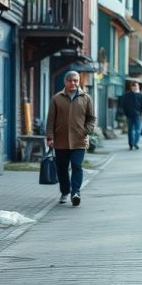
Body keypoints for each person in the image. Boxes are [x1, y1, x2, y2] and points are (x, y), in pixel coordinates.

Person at [46, 71, 96, 207]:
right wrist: (50, 137)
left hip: (79, 140)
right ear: (65, 82)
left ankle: (76, 193)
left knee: (76, 165)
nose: (73, 83)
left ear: (79, 81)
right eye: (70, 80)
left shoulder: (86, 98)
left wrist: (86, 131)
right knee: (61, 168)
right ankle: (64, 191)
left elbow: (91, 118)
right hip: (60, 140)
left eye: (75, 80)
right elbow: (51, 119)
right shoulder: (57, 98)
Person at [119, 81, 142, 150]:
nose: (136, 87)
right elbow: (123, 105)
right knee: (130, 130)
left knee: (138, 130)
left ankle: (135, 143)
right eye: (134, 86)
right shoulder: (127, 95)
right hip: (129, 115)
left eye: (137, 86)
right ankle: (131, 144)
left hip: (138, 116)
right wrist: (126, 114)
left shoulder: (140, 95)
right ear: (131, 87)